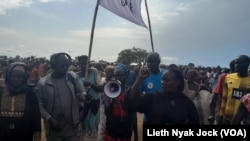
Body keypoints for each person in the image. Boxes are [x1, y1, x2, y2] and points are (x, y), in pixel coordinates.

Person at [36, 52, 91, 141]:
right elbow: (39, 105)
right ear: (53, 65)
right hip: (54, 128)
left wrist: (85, 96)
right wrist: (49, 119)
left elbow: (80, 92)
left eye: (66, 65)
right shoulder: (43, 83)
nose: (65, 68)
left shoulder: (72, 77)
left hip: (72, 127)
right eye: (62, 66)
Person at [128, 67, 200, 125]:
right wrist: (139, 79)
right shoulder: (152, 98)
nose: (163, 82)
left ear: (177, 81)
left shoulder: (186, 102)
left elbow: (195, 121)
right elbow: (130, 102)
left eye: (167, 80)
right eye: (162, 79)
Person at [0, 62, 41, 141]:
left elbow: (36, 117)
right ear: (8, 76)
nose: (16, 79)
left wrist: (37, 137)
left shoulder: (30, 94)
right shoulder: (1, 92)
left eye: (20, 77)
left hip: (24, 135)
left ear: (25, 78)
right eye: (13, 76)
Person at [104, 63, 135, 141]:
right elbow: (106, 113)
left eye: (121, 75)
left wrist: (136, 135)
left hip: (125, 128)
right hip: (112, 128)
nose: (118, 78)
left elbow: (133, 115)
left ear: (126, 76)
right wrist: (112, 103)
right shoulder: (109, 90)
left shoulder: (130, 91)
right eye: (116, 76)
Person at [77, 55, 103, 141]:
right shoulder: (76, 76)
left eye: (86, 63)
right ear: (79, 64)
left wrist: (90, 85)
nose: (85, 66)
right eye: (82, 64)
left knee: (92, 128)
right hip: (82, 107)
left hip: (93, 106)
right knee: (82, 129)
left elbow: (101, 89)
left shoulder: (94, 72)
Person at [218, 55, 250, 124]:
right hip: (226, 118)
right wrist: (221, 114)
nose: (236, 65)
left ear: (247, 65)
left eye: (239, 63)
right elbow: (224, 98)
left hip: (242, 121)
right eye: (235, 63)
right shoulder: (229, 77)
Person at [138, 52, 165, 124]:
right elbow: (137, 94)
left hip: (166, 118)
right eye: (148, 61)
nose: (149, 64)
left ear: (158, 62)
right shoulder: (144, 77)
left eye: (152, 61)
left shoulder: (166, 74)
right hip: (149, 119)